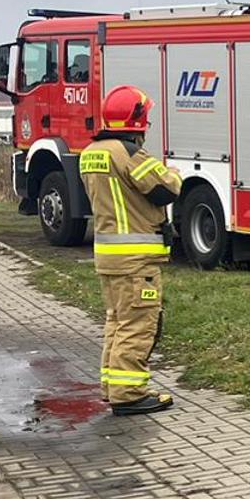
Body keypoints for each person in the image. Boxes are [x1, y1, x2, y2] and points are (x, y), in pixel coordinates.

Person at [80, 86, 183, 415]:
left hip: (109, 256)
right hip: (136, 260)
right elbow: (164, 189)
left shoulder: (91, 151)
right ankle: (129, 394)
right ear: (136, 121)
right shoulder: (127, 153)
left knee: (117, 322)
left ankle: (113, 386)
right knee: (138, 325)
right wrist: (175, 173)